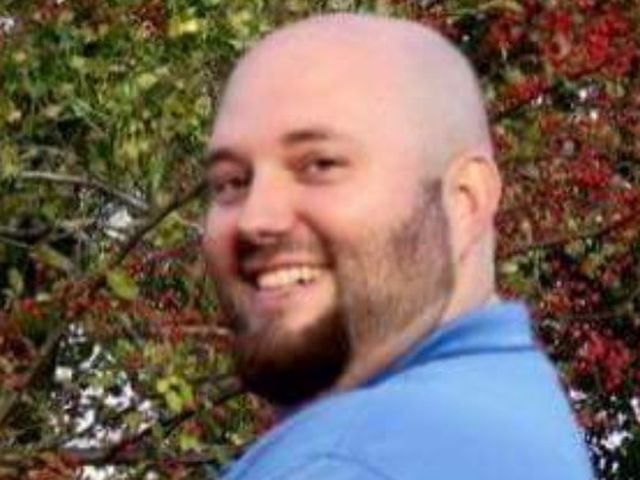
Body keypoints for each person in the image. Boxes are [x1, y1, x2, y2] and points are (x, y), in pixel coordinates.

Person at [201, 13, 593, 480]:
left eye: (320, 165)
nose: (256, 219)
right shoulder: (508, 416)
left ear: (464, 201)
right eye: (230, 182)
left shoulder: (345, 463)